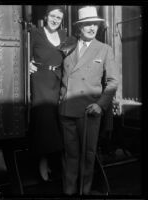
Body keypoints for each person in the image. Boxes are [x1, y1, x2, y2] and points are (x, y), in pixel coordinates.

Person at [59, 6, 119, 195]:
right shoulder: (67, 46)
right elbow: (51, 67)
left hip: (89, 111)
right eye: (87, 24)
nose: (92, 28)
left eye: (94, 24)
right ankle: (69, 192)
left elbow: (112, 82)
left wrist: (100, 105)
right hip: (67, 110)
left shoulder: (104, 49)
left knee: (87, 156)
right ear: (79, 28)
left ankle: (84, 192)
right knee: (71, 156)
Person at [28, 5, 67, 182]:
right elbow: (24, 51)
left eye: (58, 18)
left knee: (58, 120)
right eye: (53, 16)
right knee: (44, 120)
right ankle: (42, 163)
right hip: (40, 79)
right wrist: (27, 62)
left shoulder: (65, 36)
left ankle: (56, 163)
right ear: (46, 16)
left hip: (57, 80)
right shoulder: (35, 33)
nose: (55, 20)